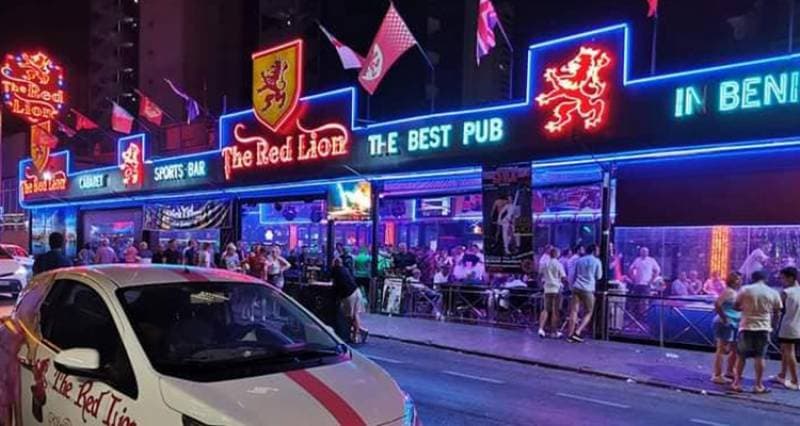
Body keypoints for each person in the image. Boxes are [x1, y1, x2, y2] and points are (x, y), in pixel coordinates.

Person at [731, 270, 783, 393]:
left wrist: (745, 308)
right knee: (760, 357)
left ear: (752, 278)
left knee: (741, 357)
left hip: (746, 326)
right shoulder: (773, 292)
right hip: (764, 327)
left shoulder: (745, 290)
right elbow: (777, 312)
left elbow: (735, 306)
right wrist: (773, 325)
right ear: (765, 278)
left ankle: (737, 383)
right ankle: (758, 385)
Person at [710, 272, 742, 384]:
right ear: (732, 280)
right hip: (725, 323)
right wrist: (724, 318)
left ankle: (729, 370)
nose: (740, 281)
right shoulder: (728, 291)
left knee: (735, 348)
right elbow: (717, 304)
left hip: (734, 323)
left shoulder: (735, 292)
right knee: (721, 348)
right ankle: (717, 375)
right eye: (737, 279)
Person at [566, 244, 602, 342]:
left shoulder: (579, 260)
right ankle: (577, 332)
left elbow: (574, 274)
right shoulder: (596, 261)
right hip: (588, 288)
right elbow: (599, 276)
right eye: (598, 250)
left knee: (574, 311)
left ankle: (569, 334)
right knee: (589, 311)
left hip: (577, 287)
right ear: (594, 251)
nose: (598, 252)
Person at [774, 267, 800, 390]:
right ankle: (782, 375)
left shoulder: (786, 292)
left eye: (783, 278)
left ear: (790, 278)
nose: (781, 281)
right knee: (785, 350)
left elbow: (777, 309)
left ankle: (795, 381)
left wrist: (773, 323)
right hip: (796, 325)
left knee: (789, 352)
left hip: (788, 326)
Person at [331, 257, 368, 344]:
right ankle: (357, 335)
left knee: (349, 317)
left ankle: (359, 333)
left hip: (348, 295)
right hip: (356, 291)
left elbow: (333, 284)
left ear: (334, 263)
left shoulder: (336, 271)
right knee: (355, 315)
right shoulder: (345, 269)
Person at [538, 247, 567, 338]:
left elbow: (539, 275)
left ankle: (541, 329)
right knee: (555, 310)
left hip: (547, 288)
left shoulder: (544, 264)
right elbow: (563, 277)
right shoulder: (558, 264)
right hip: (556, 289)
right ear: (557, 254)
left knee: (545, 309)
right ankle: (554, 331)